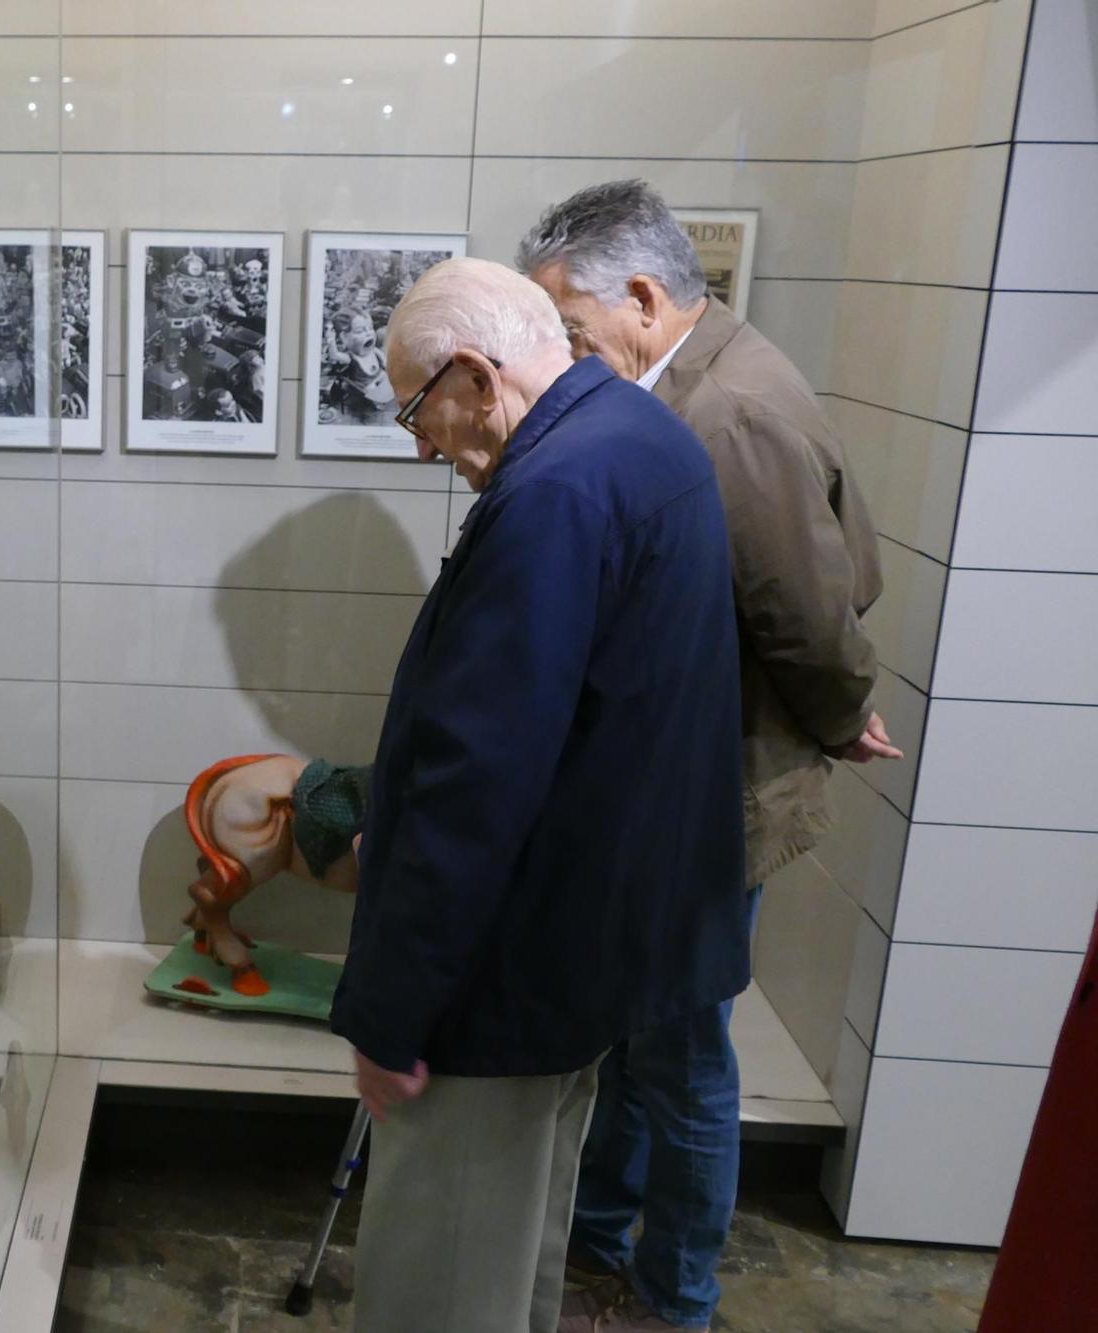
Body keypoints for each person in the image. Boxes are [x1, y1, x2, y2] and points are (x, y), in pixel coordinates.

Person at [331, 258, 750, 1333]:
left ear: (474, 374)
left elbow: (480, 779)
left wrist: (390, 1011)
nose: (420, 443)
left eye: (416, 412)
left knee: (440, 1270)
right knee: (514, 1247)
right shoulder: (633, 433)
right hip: (585, 952)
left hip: (500, 975)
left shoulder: (552, 492)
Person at [516, 179, 900, 1333]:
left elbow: (803, 606)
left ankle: (669, 1297)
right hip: (683, 773)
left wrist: (838, 713)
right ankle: (599, 1249)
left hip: (714, 782)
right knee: (641, 1036)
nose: (566, 355)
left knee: (679, 1050)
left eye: (572, 329)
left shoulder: (720, 411)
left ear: (639, 296)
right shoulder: (699, 378)